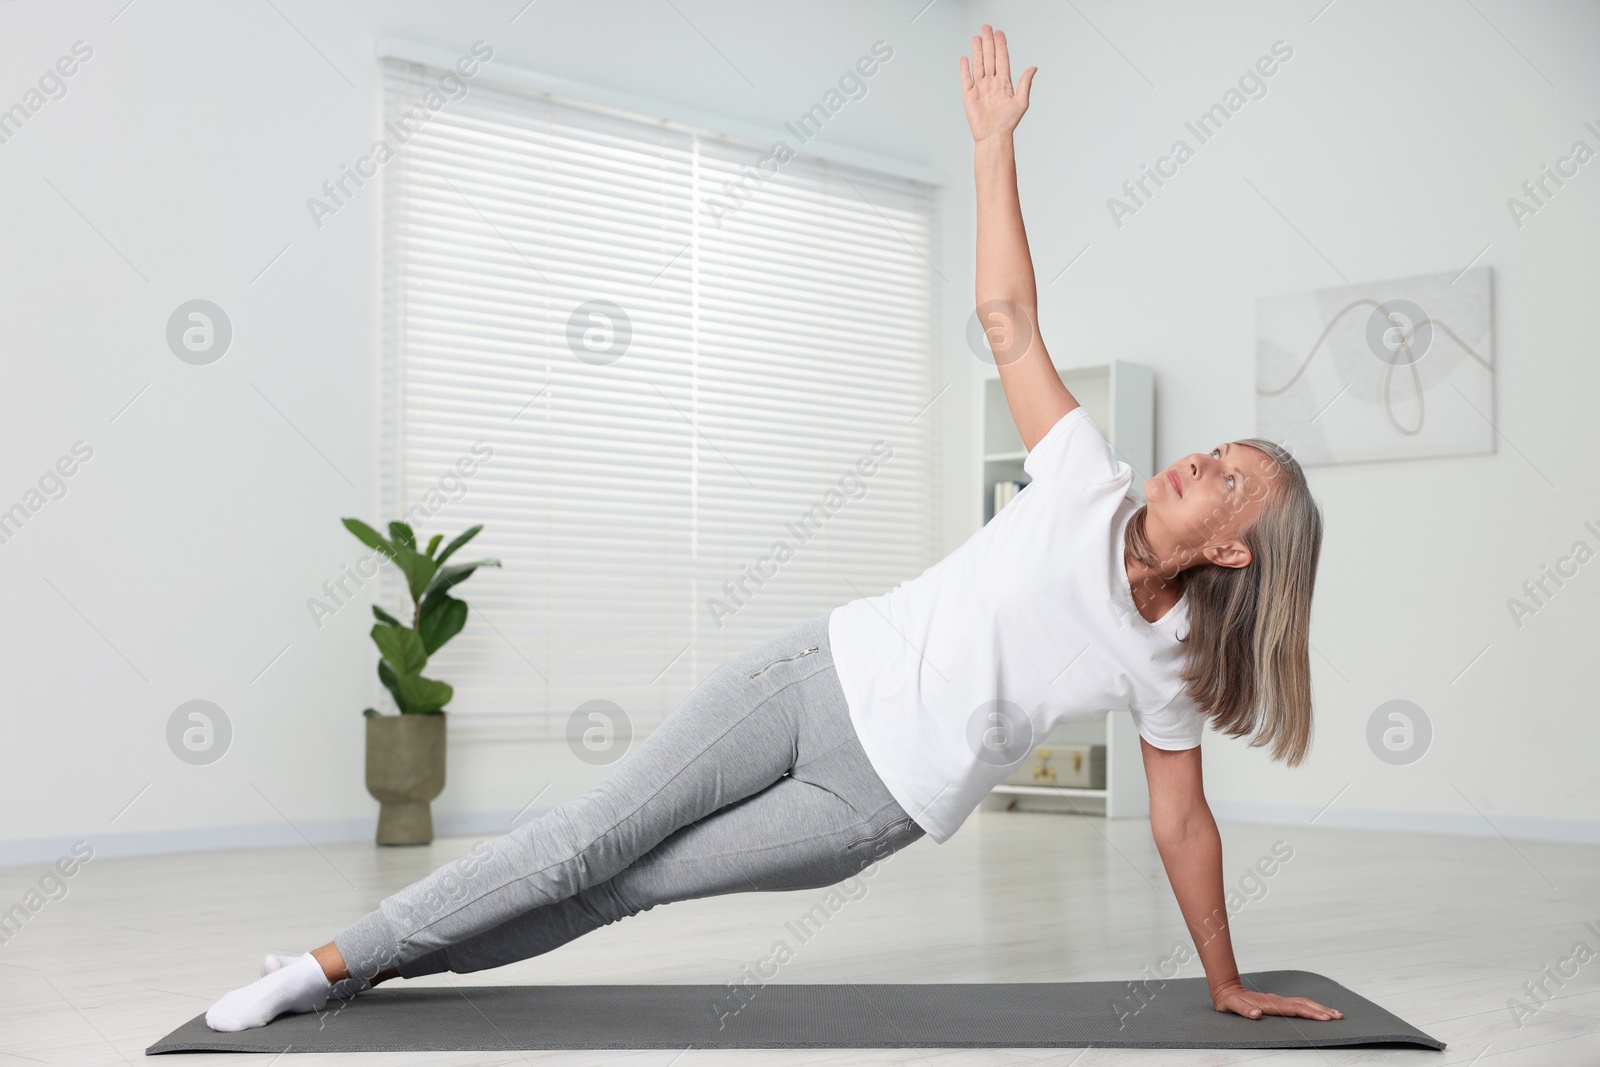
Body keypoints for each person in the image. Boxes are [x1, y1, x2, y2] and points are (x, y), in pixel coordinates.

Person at [204, 23, 1340, 1033]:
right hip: (812, 674)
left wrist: (1222, 978)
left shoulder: (1173, 663)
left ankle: (353, 973)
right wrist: (993, 142)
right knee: (587, 838)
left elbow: (1182, 824)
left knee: (622, 886)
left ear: (1234, 548)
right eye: (1218, 450)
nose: (1202, 461)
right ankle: (323, 960)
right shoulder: (1089, 477)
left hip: (876, 801)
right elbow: (1005, 321)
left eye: (1229, 482)